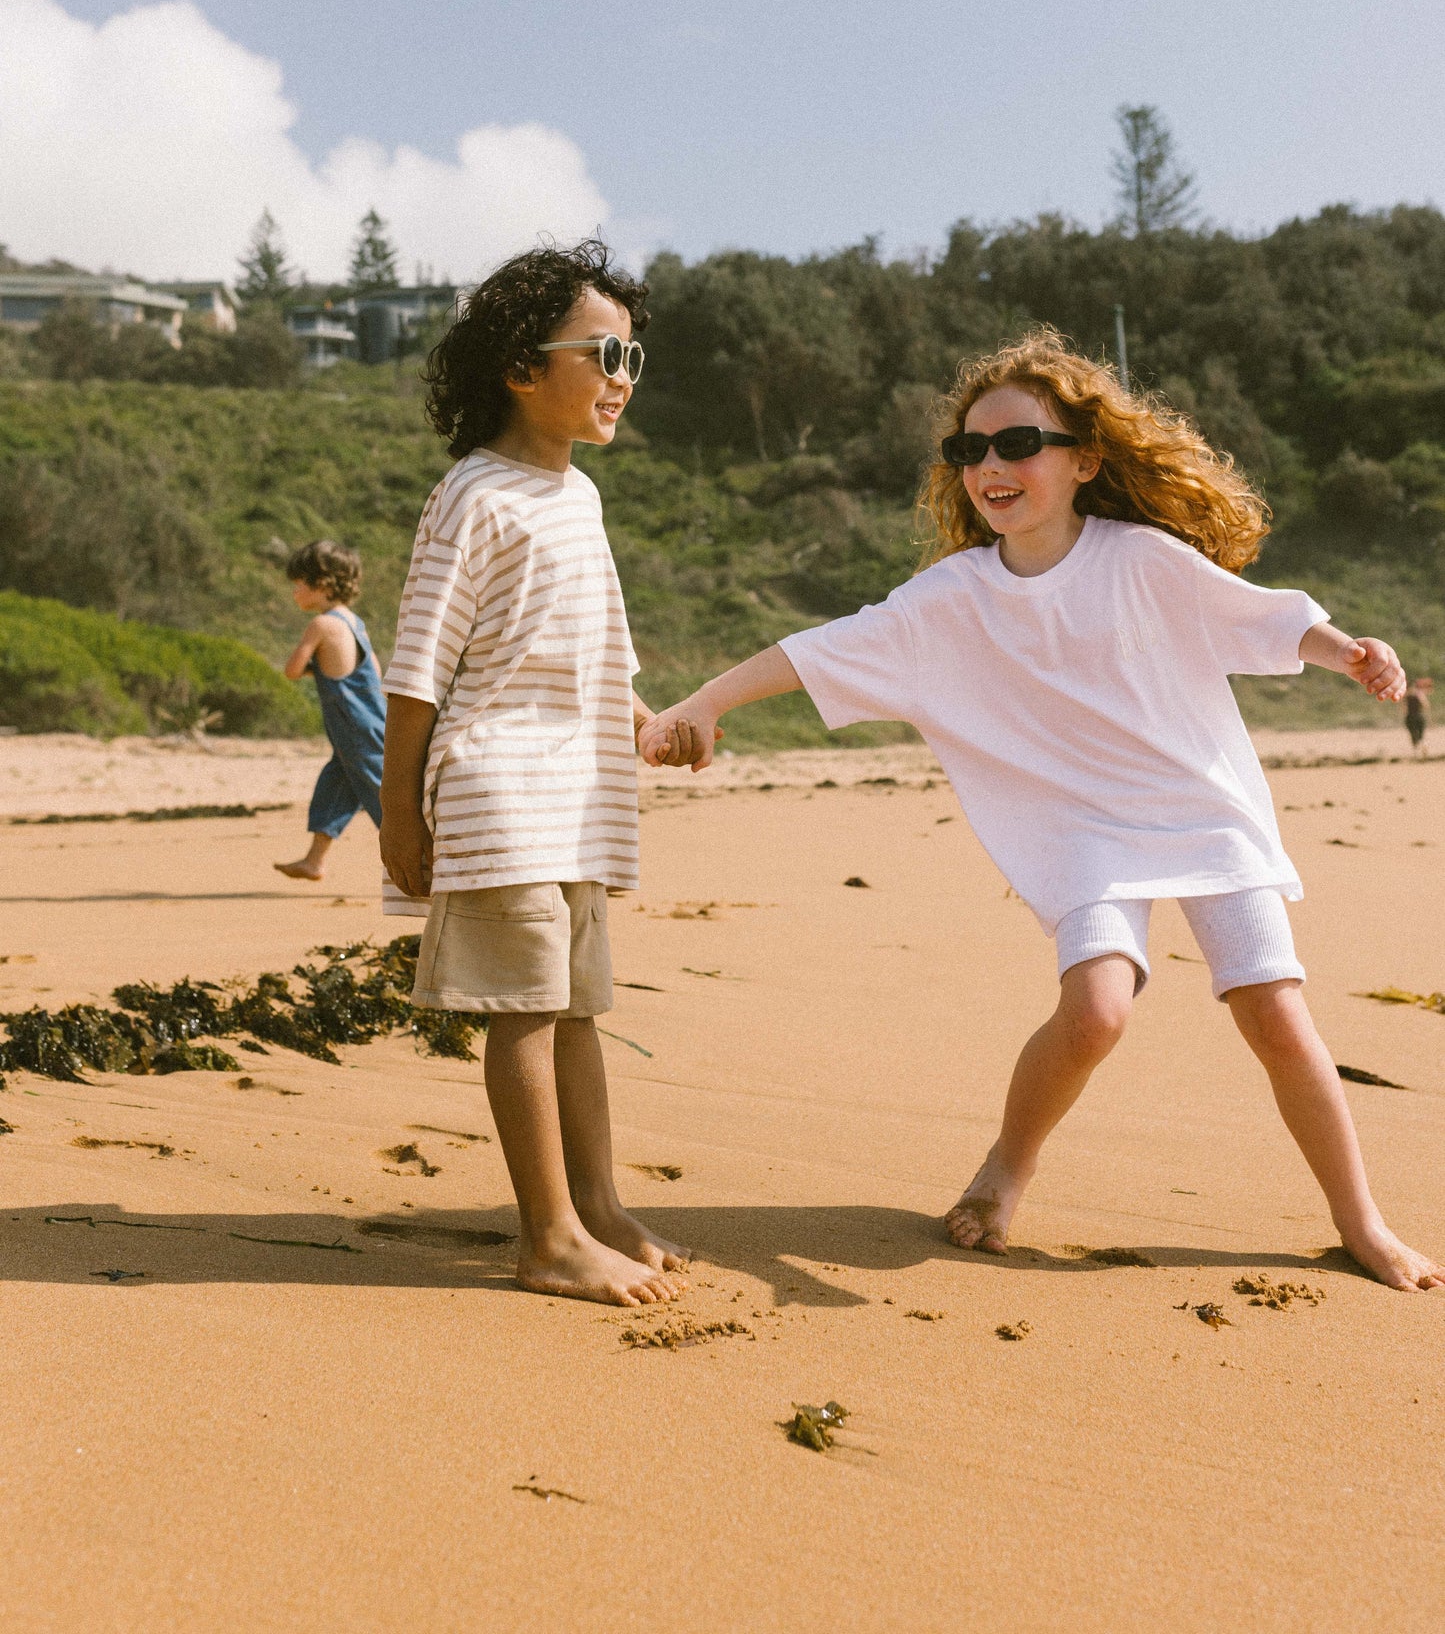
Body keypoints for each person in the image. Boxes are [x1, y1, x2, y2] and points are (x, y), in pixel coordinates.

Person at [641, 330, 1443, 1292]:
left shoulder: (1141, 559)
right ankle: (1005, 1168)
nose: (990, 466)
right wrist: (703, 704)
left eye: (1018, 444)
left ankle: (1360, 1221)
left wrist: (1345, 649)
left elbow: (1259, 617)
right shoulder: (952, 598)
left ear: (1083, 460)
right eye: (969, 451)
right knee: (1097, 1009)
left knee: (1274, 1010)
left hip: (1199, 811)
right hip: (1081, 833)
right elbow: (822, 650)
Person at [378, 239, 688, 1309]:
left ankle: (595, 1204)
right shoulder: (473, 493)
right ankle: (545, 1232)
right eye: (602, 352)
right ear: (520, 363)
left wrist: (653, 718)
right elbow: (415, 669)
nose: (620, 376)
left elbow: (597, 642)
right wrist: (396, 818)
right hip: (497, 787)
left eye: (633, 358)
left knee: (575, 1008)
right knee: (521, 1007)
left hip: (580, 794)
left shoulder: (580, 498)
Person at [275, 540, 386, 882]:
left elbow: (292, 669)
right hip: (370, 722)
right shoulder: (355, 622)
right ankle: (314, 860)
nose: (294, 591)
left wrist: (313, 667)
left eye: (298, 584)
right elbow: (374, 673)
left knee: (381, 795)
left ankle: (424, 860)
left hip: (353, 727)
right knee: (336, 786)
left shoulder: (321, 626)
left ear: (320, 585)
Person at [1404, 677, 1432, 753]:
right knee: (1420, 735)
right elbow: (1425, 705)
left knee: (1413, 735)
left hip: (1410, 716)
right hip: (1418, 715)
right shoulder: (1419, 694)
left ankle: (1416, 752)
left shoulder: (1406, 695)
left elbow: (1403, 708)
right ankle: (1422, 749)